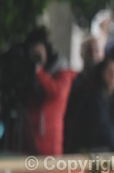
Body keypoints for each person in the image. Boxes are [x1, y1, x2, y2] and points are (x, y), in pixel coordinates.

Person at [64, 59, 114, 153]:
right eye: (109, 70)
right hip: (90, 151)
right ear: (101, 73)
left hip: (105, 150)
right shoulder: (95, 96)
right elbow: (104, 130)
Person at [25, 27, 77, 156]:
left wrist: (39, 69)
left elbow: (57, 92)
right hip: (28, 140)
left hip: (49, 142)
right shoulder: (28, 72)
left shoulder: (61, 70)